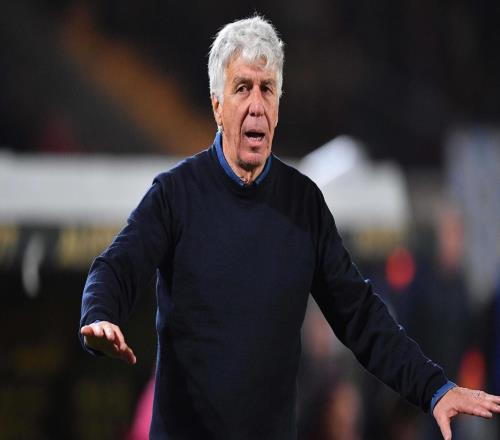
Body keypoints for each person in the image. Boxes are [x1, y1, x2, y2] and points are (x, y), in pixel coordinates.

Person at [79, 15, 500, 440]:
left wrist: (433, 389)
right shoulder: (175, 194)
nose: (256, 104)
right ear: (217, 106)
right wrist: (100, 313)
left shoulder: (303, 204)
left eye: (267, 89)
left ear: (278, 107)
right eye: (242, 88)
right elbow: (117, 266)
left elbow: (361, 315)